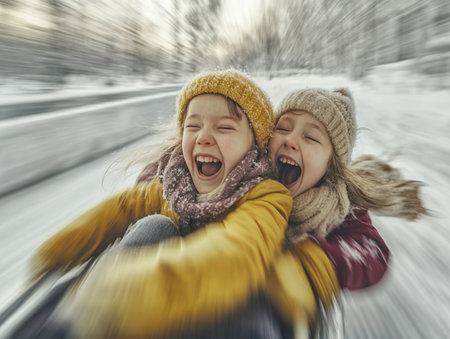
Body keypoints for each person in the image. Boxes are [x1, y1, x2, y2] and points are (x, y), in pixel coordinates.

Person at [27, 69, 309, 339]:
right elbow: (124, 207)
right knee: (155, 225)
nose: (204, 137)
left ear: (254, 144)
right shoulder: (174, 186)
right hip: (143, 313)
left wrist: (132, 292)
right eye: (193, 126)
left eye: (224, 127)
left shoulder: (266, 195)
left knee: (253, 306)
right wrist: (58, 250)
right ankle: (73, 318)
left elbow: (238, 250)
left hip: (214, 311)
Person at [263, 87, 427, 337]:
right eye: (283, 128)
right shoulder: (250, 177)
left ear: (331, 165)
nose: (290, 140)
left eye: (311, 138)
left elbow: (372, 251)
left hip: (291, 312)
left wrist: (318, 259)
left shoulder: (339, 208)